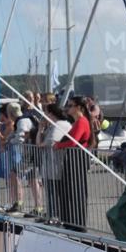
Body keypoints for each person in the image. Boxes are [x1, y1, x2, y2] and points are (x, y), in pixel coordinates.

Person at [54, 96, 96, 231]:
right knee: (69, 190)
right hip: (72, 158)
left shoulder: (81, 122)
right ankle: (70, 221)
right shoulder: (77, 122)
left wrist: (58, 145)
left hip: (76, 159)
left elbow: (73, 142)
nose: (68, 108)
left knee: (75, 190)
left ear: (79, 107)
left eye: (70, 105)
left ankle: (77, 223)